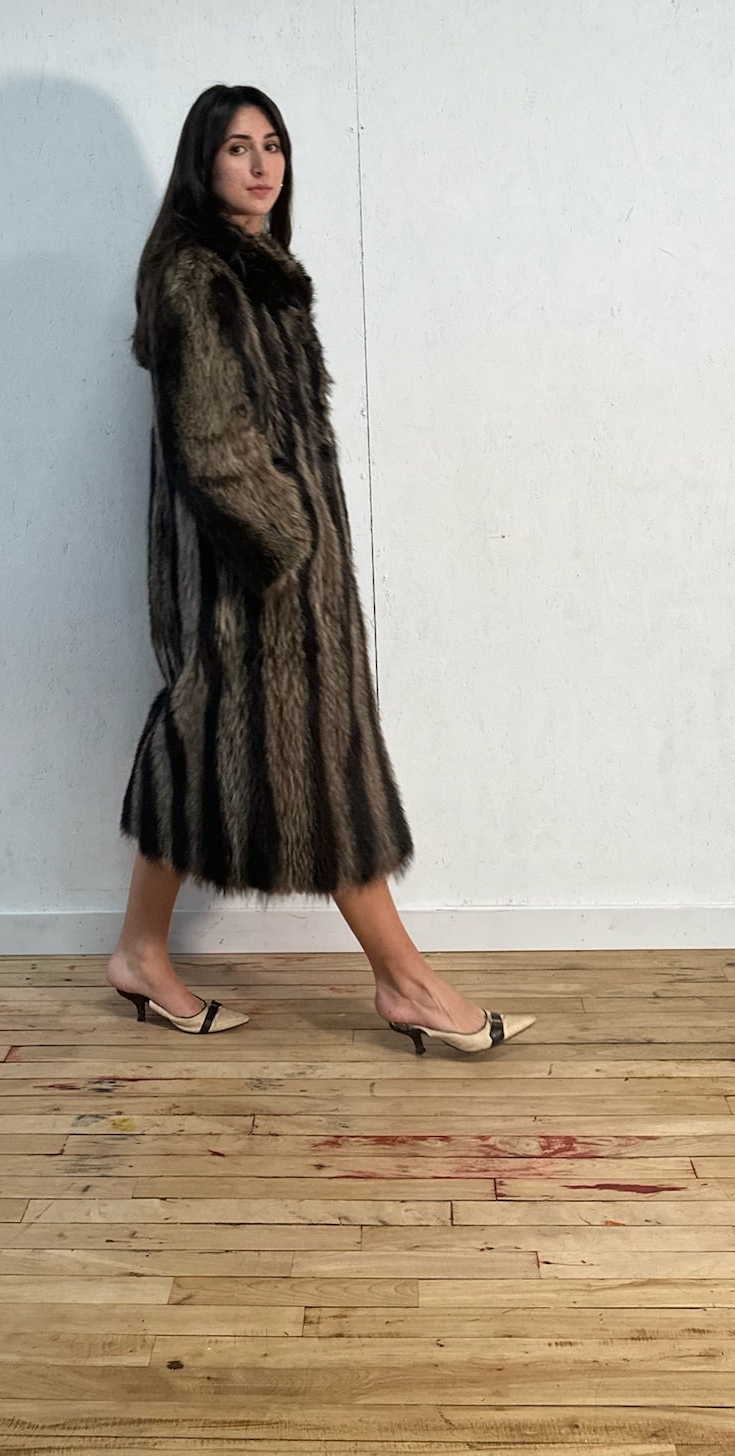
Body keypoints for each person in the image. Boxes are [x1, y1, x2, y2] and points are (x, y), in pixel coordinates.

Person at [107, 84, 534, 1057]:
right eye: (237, 148)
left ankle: (139, 951)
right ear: (203, 163)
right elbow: (212, 444)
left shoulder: (256, 273)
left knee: (197, 747)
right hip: (253, 580)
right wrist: (287, 545)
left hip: (265, 573)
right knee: (323, 764)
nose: (261, 164)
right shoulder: (199, 279)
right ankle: (407, 982)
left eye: (274, 145)